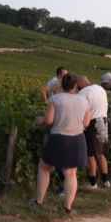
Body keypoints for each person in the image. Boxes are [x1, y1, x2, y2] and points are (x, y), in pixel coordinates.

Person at [30, 73, 90, 213]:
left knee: (44, 168)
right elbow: (86, 123)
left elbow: (49, 121)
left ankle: (39, 201)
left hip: (58, 138)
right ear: (76, 85)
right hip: (77, 139)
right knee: (70, 173)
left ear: (62, 84)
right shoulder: (83, 100)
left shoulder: (55, 99)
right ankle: (67, 207)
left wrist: (41, 120)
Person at [77, 75, 110, 188]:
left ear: (80, 84)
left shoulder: (83, 92)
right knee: (100, 153)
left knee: (90, 153)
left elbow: (80, 110)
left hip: (91, 123)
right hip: (103, 122)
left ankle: (92, 183)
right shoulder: (101, 89)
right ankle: (106, 181)